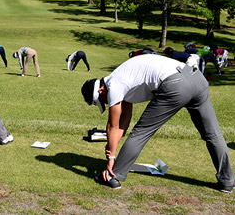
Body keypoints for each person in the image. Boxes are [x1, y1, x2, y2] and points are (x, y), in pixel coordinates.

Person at [81, 54, 234, 192]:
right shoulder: (122, 78)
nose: (106, 104)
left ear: (101, 91)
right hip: (196, 78)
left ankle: (114, 176)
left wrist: (111, 160)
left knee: (141, 132)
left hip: (175, 84)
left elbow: (113, 126)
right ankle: (227, 182)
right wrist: (112, 146)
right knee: (213, 134)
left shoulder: (113, 85)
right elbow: (123, 122)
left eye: (102, 102)